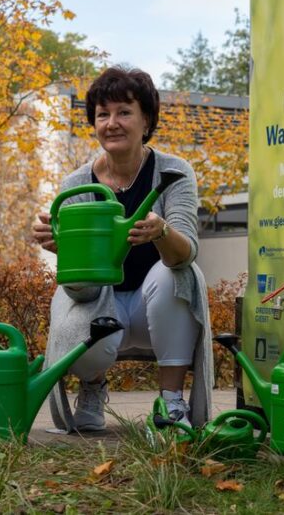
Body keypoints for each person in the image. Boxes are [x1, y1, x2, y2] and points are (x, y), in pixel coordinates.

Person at [33, 67, 213, 431]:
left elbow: (187, 251)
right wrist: (65, 252)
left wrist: (162, 231)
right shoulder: (77, 184)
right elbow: (77, 288)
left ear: (146, 120)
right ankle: (92, 387)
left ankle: (172, 404)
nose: (112, 123)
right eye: (103, 114)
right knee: (75, 316)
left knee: (176, 273)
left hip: (156, 308)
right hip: (100, 303)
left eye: (124, 112)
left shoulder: (174, 172)